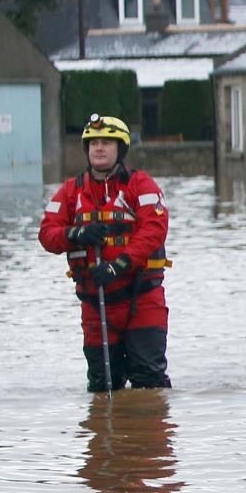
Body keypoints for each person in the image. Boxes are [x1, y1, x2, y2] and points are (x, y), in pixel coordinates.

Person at [39, 114, 173, 393]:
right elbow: (47, 235)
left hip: (141, 297)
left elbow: (153, 230)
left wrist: (118, 265)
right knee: (102, 386)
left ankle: (146, 435)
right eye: (94, 143)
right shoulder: (69, 193)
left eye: (107, 143)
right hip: (96, 303)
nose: (99, 148)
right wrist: (75, 234)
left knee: (149, 382)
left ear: (120, 149)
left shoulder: (141, 186)